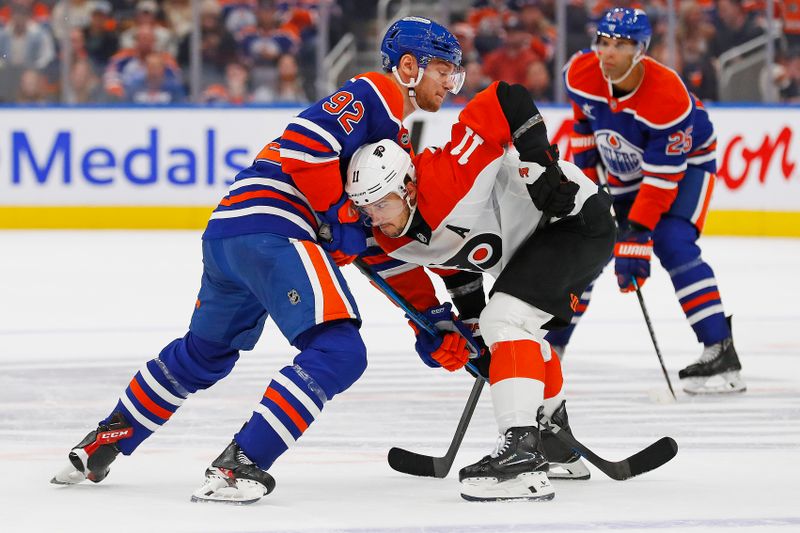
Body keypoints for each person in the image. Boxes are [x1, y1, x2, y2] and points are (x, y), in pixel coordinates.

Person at [51, 16, 465, 505]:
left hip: (230, 234)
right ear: (410, 66)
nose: (451, 83)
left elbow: (374, 248)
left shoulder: (389, 133)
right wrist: (336, 215)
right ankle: (239, 466)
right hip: (276, 229)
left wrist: (431, 317)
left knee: (204, 355)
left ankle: (106, 440)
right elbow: (307, 149)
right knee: (339, 353)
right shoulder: (377, 92)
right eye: (444, 70)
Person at [344, 81, 616, 501]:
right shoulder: (392, 238)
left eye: (382, 203)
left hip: (573, 218)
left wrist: (539, 161)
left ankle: (521, 453)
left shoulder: (449, 175)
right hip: (531, 247)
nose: (375, 219)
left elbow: (506, 97)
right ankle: (555, 440)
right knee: (510, 331)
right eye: (365, 208)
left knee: (505, 320)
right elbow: (455, 267)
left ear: (409, 187)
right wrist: (468, 327)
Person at [547, 7, 745, 395]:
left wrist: (635, 238)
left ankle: (720, 349)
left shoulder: (667, 96)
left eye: (619, 45)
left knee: (672, 242)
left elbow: (660, 180)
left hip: (688, 167)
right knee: (587, 247)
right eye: (603, 42)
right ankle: (550, 347)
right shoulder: (580, 73)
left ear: (640, 50)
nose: (607, 53)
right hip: (623, 166)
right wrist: (588, 185)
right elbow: (584, 122)